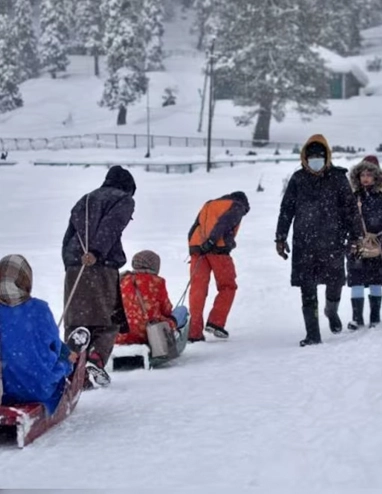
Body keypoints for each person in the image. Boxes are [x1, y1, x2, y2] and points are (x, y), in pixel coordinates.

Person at [275, 134, 363, 347]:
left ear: (327, 157)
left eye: (319, 156)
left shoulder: (338, 178)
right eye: (311, 156)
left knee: (335, 282)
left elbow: (351, 209)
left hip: (332, 240)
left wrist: (356, 237)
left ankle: (331, 311)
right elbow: (286, 209)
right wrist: (280, 237)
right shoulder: (298, 179)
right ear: (305, 157)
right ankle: (313, 334)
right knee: (308, 287)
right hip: (304, 243)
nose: (315, 160)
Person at [62, 165, 135, 388]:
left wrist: (70, 263)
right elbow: (110, 227)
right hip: (100, 265)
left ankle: (75, 373)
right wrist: (96, 252)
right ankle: (96, 359)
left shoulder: (84, 200)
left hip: (75, 266)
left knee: (77, 322)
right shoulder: (123, 199)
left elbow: (68, 236)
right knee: (107, 320)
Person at [0, 254, 90, 414]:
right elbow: (52, 344)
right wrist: (66, 357)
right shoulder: (39, 309)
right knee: (63, 358)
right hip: (41, 388)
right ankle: (73, 358)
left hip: (6, 391)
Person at [187, 191, 250, 342]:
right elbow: (224, 223)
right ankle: (216, 322)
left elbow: (194, 228)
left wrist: (194, 247)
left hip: (197, 250)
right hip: (217, 249)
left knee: (198, 290)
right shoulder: (237, 205)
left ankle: (194, 333)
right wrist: (211, 242)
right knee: (228, 286)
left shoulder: (209, 204)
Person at [116, 250, 189, 348]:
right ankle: (177, 338)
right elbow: (166, 310)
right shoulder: (157, 282)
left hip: (121, 334)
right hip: (151, 333)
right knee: (182, 310)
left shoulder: (122, 280)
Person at [347, 155, 382, 329]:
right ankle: (357, 319)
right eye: (362, 174)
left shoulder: (381, 197)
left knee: (377, 280)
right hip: (357, 243)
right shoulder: (353, 197)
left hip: (378, 243)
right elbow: (344, 220)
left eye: (369, 174)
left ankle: (375, 318)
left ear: (376, 176)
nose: (366, 178)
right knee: (357, 278)